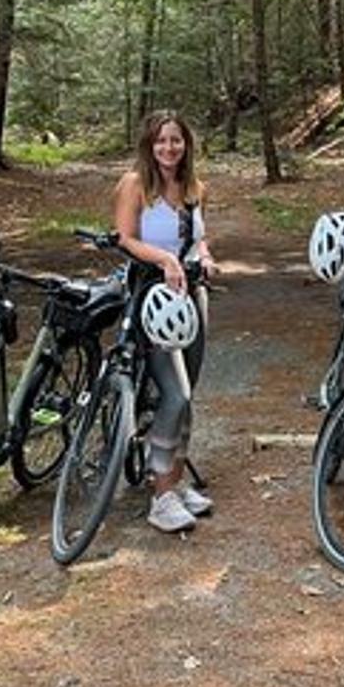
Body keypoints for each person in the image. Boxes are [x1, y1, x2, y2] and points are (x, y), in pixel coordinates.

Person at [112, 109, 220, 533]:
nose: (168, 148)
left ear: (186, 144)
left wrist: (205, 256)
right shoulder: (135, 184)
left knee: (187, 396)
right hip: (149, 296)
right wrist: (164, 259)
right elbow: (124, 238)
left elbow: (198, 236)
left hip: (190, 298)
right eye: (161, 141)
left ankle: (174, 481)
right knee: (173, 394)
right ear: (149, 144)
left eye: (175, 140)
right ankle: (160, 497)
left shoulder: (195, 187)